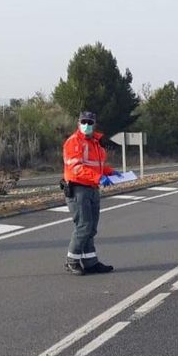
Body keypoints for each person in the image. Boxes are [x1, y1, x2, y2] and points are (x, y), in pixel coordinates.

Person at [62, 111, 119, 276]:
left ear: (94, 124)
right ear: (78, 123)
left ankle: (90, 262)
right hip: (78, 188)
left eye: (90, 122)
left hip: (92, 188)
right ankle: (72, 261)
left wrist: (109, 172)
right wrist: (98, 177)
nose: (86, 125)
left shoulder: (95, 143)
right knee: (83, 226)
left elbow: (96, 166)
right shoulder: (74, 142)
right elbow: (76, 167)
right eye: (84, 122)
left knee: (91, 228)